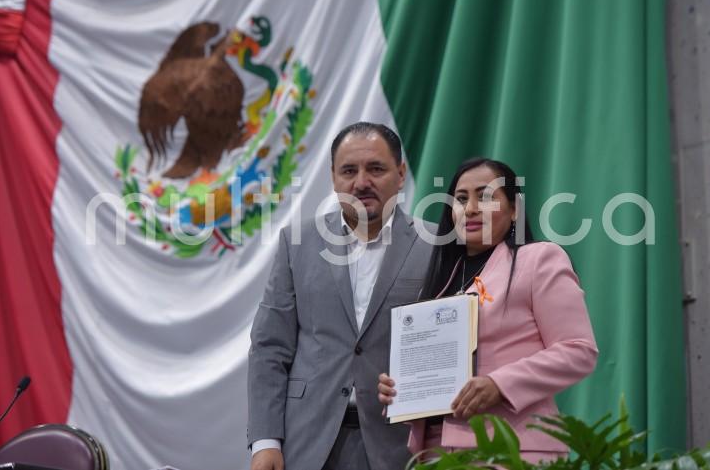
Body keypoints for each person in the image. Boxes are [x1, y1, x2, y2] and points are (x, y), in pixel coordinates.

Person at [378, 157, 598, 464]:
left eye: (484, 197)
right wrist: (400, 390)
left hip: (513, 448)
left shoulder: (539, 259)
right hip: (434, 452)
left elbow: (579, 350)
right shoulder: (440, 280)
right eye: (461, 199)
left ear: (514, 209)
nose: (470, 209)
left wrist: (500, 384)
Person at [248, 122, 435, 470]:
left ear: (400, 173)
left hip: (400, 446)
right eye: (349, 171)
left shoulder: (436, 245)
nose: (361, 182)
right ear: (333, 178)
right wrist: (265, 441)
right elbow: (269, 346)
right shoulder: (298, 243)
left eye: (376, 168)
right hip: (306, 442)